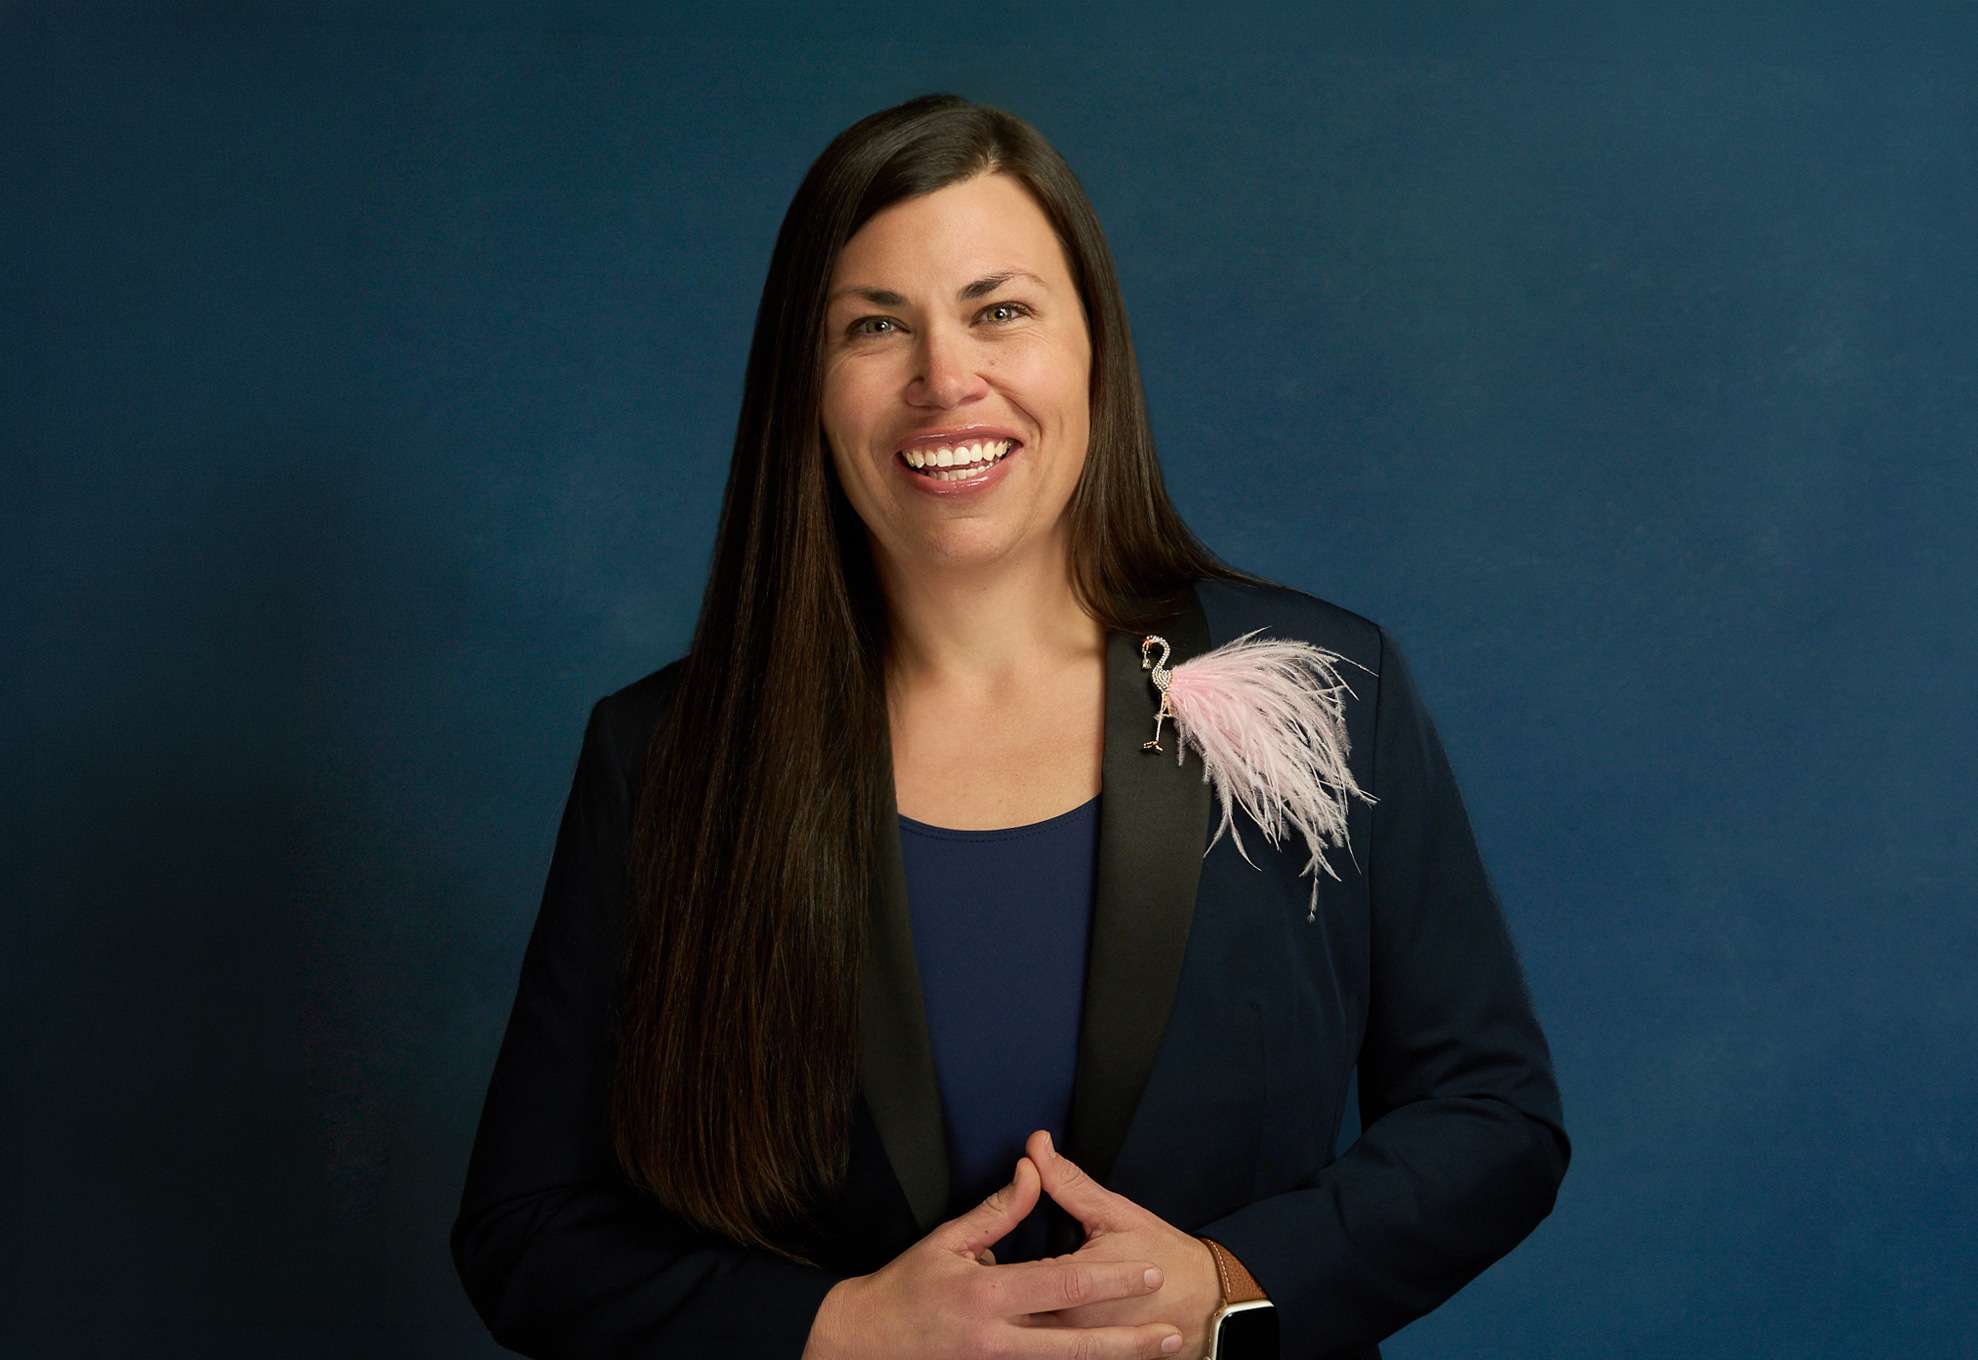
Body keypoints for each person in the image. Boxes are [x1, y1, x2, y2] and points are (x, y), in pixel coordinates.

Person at [450, 93, 1568, 1359]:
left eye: (1000, 309)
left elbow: (1493, 1115)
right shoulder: (660, 756)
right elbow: (525, 1229)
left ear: (1092, 343)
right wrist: (840, 1330)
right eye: (876, 326)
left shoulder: (1325, 685)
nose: (944, 378)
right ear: (804, 388)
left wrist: (1229, 1281)